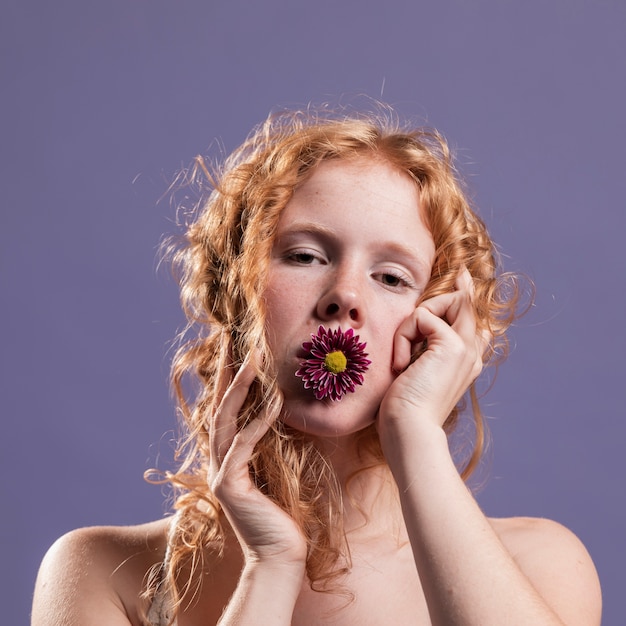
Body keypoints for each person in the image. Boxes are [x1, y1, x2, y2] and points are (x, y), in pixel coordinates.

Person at [32, 106, 602, 625]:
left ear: (442, 323)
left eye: (391, 277)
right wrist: (270, 567)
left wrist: (416, 436)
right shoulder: (102, 573)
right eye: (305, 255)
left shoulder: (543, 565)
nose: (345, 296)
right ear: (236, 294)